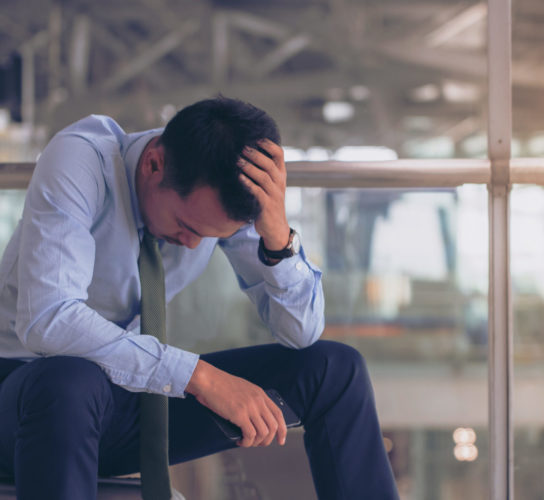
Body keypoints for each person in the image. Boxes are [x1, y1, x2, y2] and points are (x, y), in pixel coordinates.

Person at [0, 97, 399, 499]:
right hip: (26, 399)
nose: (193, 246)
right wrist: (200, 378)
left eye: (211, 237)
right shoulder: (82, 160)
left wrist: (277, 238)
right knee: (70, 377)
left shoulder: (214, 205)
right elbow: (47, 319)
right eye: (187, 226)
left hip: (124, 403)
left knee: (335, 369)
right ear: (155, 164)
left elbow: (300, 333)